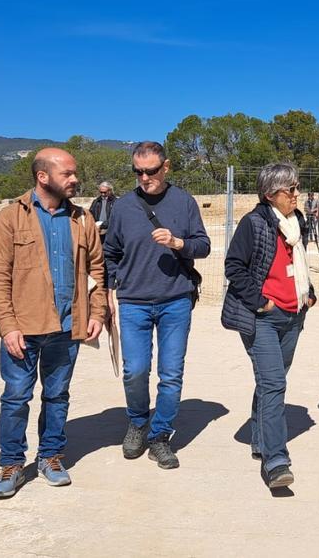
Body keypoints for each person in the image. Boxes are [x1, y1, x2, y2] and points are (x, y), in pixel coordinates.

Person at [0, 147, 106, 498]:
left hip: (68, 326)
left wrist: (97, 312)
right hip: (24, 327)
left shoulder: (82, 219)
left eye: (74, 173)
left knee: (57, 396)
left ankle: (51, 456)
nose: (75, 179)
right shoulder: (11, 217)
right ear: (43, 177)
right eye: (67, 173)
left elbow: (97, 271)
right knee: (16, 397)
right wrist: (7, 325)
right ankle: (11, 463)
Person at [103, 141, 211, 469]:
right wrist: (107, 293)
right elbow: (110, 253)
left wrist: (178, 242)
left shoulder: (184, 202)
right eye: (138, 172)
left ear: (166, 167)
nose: (144, 177)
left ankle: (160, 435)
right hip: (133, 300)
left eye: (150, 171)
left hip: (175, 300)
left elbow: (203, 246)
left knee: (171, 373)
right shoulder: (122, 207)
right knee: (134, 370)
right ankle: (138, 422)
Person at [221, 163, 317, 489]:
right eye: (289, 190)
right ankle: (276, 460)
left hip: (294, 315)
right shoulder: (253, 223)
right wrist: (259, 301)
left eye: (296, 187)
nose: (296, 194)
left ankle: (260, 437)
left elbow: (298, 260)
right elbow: (234, 266)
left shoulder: (296, 221)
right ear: (270, 194)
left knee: (270, 381)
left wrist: (309, 293)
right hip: (262, 317)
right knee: (274, 383)